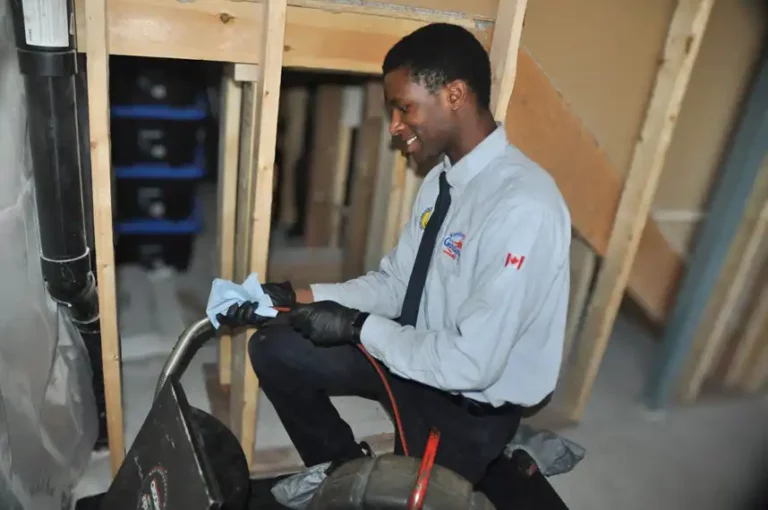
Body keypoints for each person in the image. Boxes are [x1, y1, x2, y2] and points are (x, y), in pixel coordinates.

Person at [218, 22, 572, 489]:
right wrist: (289, 296)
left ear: (454, 95)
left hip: (467, 406)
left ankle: (481, 465)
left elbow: (471, 363)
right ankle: (343, 475)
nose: (395, 127)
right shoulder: (442, 181)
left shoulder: (523, 208)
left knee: (409, 497)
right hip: (412, 357)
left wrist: (358, 327)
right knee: (275, 347)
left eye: (404, 108)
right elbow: (397, 285)